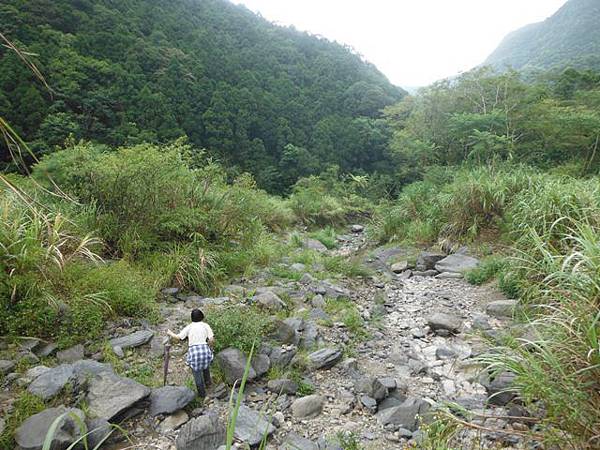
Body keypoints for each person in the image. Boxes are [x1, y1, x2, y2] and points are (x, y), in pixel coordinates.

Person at [167, 309, 215, 398]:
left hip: (194, 351)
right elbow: (211, 339)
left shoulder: (189, 327)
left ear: (191, 318)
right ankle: (208, 383)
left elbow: (178, 337)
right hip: (204, 348)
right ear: (202, 316)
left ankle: (202, 395)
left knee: (196, 373)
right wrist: (210, 348)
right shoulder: (205, 325)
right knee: (206, 365)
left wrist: (170, 333)